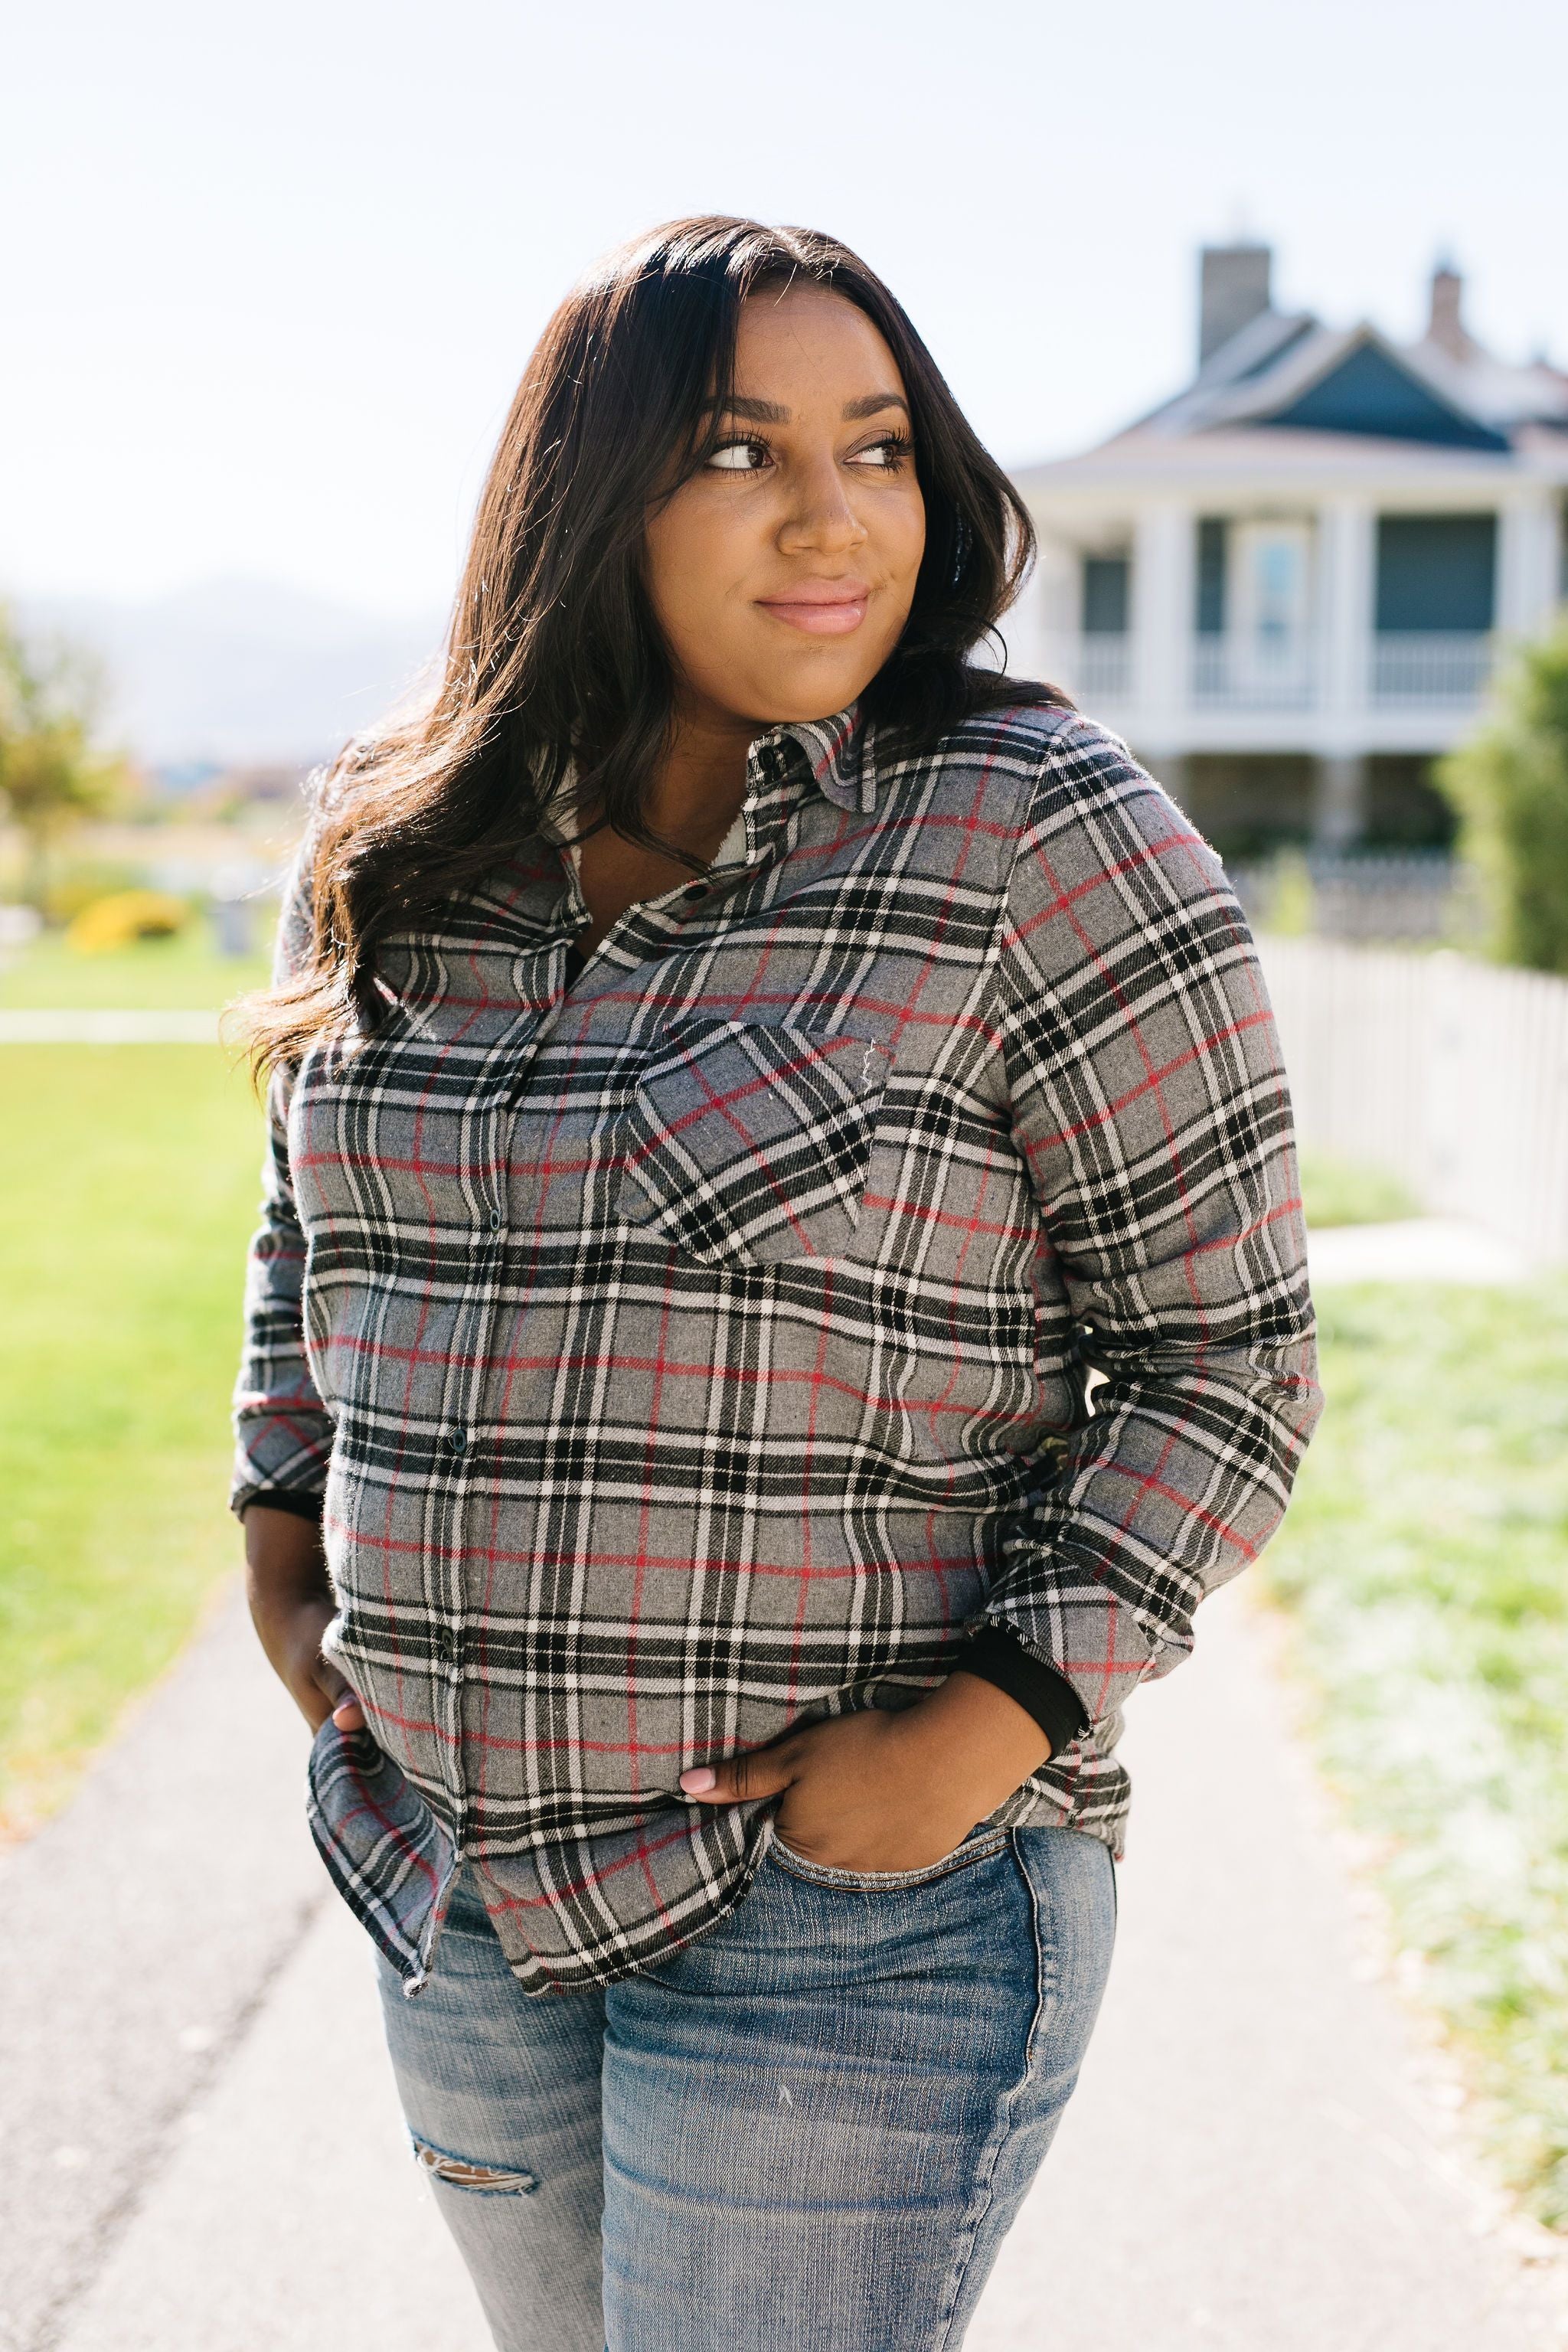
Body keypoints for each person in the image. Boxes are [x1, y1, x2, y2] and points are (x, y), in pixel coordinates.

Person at [232, 216, 1321, 2352]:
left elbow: (1228, 1354)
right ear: (592, 494)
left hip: (851, 1916)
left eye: (884, 445)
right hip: (451, 1876)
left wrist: (987, 1728)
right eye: (742, 449)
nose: (836, 517)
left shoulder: (1033, 827)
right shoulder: (400, 839)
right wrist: (283, 1551)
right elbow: (306, 1236)